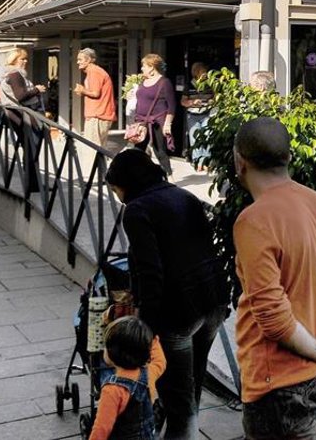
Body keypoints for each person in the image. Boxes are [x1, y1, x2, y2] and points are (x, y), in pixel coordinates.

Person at [233, 116, 316, 439]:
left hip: (278, 384)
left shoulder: (254, 220)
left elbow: (273, 318)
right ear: (289, 157)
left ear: (239, 161)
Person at [106, 147, 229, 440]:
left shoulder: (137, 210)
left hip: (179, 312)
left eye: (115, 188)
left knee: (178, 400)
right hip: (213, 301)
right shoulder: (182, 195)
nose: (117, 195)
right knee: (191, 384)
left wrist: (145, 326)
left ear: (126, 183)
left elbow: (151, 273)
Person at [89, 314, 167, 440]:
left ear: (112, 353)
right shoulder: (149, 374)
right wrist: (152, 339)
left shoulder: (112, 390)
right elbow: (160, 361)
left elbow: (102, 428)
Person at [0, 46, 46, 192]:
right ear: (14, 60)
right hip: (23, 117)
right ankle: (33, 184)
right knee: (32, 150)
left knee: (30, 149)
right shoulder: (15, 74)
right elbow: (20, 96)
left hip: (18, 116)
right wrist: (37, 89)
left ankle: (33, 183)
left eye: (26, 59)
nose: (25, 61)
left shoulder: (10, 74)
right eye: (22, 59)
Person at [130, 53, 177, 178]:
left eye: (144, 66)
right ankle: (138, 178)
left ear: (151, 67)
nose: (141, 68)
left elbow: (172, 105)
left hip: (157, 121)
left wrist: (168, 124)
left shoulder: (164, 82)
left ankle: (169, 177)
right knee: (138, 151)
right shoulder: (143, 81)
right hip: (141, 122)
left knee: (159, 151)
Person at [75, 48, 117, 149]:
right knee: (99, 150)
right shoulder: (94, 71)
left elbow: (95, 93)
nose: (77, 62)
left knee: (91, 150)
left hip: (97, 116)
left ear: (89, 60)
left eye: (80, 59)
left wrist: (83, 90)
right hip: (99, 115)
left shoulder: (94, 72)